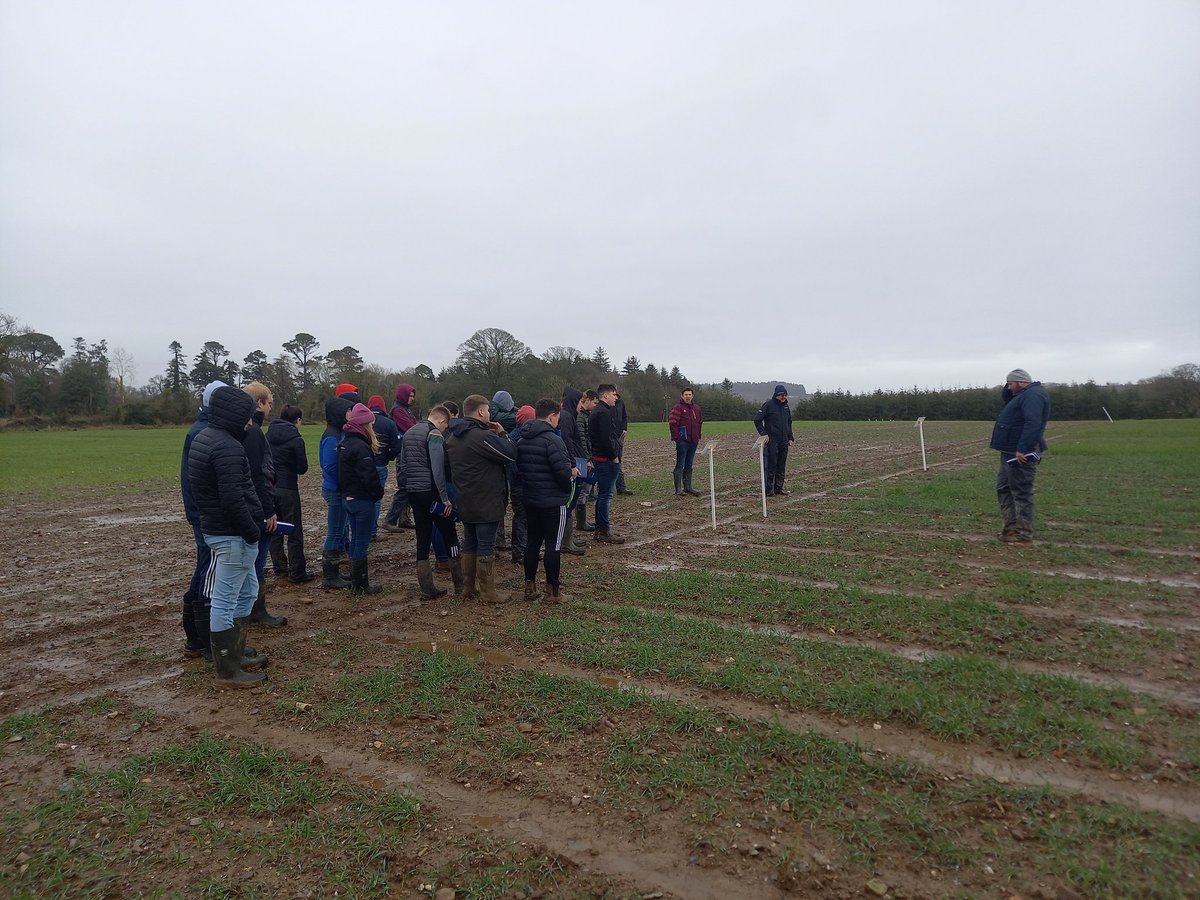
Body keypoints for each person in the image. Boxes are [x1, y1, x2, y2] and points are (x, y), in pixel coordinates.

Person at [187, 385, 268, 687]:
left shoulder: (204, 438)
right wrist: (251, 531)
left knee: (247, 591)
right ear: (236, 415)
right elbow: (233, 497)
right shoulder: (228, 447)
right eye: (247, 417)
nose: (250, 423)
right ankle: (227, 670)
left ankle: (235, 652)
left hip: (220, 530)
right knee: (224, 599)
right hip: (232, 535)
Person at [444, 394, 519, 603]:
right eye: (487, 410)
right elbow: (510, 454)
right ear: (480, 412)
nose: (489, 413)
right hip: (486, 498)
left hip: (465, 497)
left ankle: (468, 588)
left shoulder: (451, 437)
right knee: (486, 544)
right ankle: (488, 592)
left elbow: (448, 468)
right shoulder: (481, 437)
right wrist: (503, 434)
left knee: (470, 542)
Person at [179, 380, 226, 658]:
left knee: (204, 568)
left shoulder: (200, 429)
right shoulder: (202, 433)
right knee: (207, 571)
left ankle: (196, 638)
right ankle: (203, 639)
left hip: (201, 512)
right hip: (205, 515)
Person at [517, 398, 577, 604]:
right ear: (552, 416)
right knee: (553, 545)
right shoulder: (553, 440)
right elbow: (562, 472)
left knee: (533, 542)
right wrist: (568, 485)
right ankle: (553, 591)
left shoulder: (522, 439)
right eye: (558, 417)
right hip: (552, 501)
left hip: (530, 499)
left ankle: (529, 586)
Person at [402, 404, 463, 599]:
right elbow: (437, 469)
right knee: (450, 534)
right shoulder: (434, 433)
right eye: (446, 426)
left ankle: (427, 588)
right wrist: (444, 498)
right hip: (431, 492)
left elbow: (402, 465)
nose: (446, 431)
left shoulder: (410, 432)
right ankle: (461, 584)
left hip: (413, 491)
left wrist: (406, 488)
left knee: (422, 538)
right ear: (442, 421)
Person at [241, 382, 287, 626]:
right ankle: (255, 611)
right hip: (258, 508)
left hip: (251, 506)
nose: (271, 408)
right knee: (256, 563)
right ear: (259, 403)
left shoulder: (242, 431)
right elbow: (259, 475)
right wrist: (269, 510)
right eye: (269, 403)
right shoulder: (254, 432)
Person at [990, 368, 1050, 543]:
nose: (1008, 387)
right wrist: (1010, 384)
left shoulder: (1033, 396)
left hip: (1020, 453)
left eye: (1010, 384)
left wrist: (1023, 448)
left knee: (1021, 492)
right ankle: (1010, 528)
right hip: (1010, 451)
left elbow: (1033, 423)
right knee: (1004, 488)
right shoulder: (1023, 395)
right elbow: (1007, 397)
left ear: (1021, 382)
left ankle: (1023, 532)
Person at [337, 403, 386, 594]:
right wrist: (377, 494)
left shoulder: (344, 444)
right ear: (365, 425)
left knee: (356, 538)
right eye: (371, 424)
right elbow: (369, 476)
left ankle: (355, 578)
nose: (373, 428)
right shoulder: (361, 447)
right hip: (361, 500)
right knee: (361, 542)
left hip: (348, 498)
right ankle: (361, 584)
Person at [266, 404, 314, 583]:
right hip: (288, 488)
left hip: (270, 487)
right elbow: (302, 468)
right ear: (298, 420)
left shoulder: (267, 435)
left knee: (274, 529)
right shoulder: (296, 439)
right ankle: (297, 572)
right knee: (294, 531)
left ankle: (280, 567)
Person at [319, 396, 353, 589]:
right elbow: (330, 465)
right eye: (348, 411)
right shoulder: (332, 435)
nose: (350, 414)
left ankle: (334, 572)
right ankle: (330, 576)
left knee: (339, 530)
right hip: (335, 489)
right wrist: (344, 483)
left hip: (338, 488)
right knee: (335, 532)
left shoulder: (338, 432)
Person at [588, 384, 626, 543]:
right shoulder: (603, 413)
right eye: (613, 394)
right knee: (605, 496)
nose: (616, 398)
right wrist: (614, 456)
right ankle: (603, 530)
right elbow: (606, 439)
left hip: (600, 458)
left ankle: (600, 529)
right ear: (605, 396)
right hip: (606, 460)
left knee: (603, 495)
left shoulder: (597, 411)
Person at [383, 383, 419, 531]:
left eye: (413, 396)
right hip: (403, 452)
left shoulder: (405, 410)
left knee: (408, 486)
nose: (412, 399)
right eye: (410, 396)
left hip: (407, 450)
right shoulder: (399, 411)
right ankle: (390, 520)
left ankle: (404, 518)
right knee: (404, 487)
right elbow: (411, 428)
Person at [367, 395, 401, 541]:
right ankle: (372, 532)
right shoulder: (389, 423)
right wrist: (389, 457)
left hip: (363, 463)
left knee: (362, 498)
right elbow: (396, 446)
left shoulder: (363, 421)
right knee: (376, 499)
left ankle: (361, 531)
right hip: (380, 464)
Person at [507, 404, 536, 564]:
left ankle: (524, 550)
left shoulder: (514, 436)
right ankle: (519, 553)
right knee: (522, 518)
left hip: (520, 484)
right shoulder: (517, 439)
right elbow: (513, 466)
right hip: (521, 485)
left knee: (525, 518)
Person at [490, 390, 518, 552]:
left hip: (501, 466)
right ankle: (497, 539)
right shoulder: (501, 418)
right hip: (499, 466)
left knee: (501, 501)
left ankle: (499, 538)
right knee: (499, 502)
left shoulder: (494, 414)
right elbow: (515, 418)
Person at [754, 385, 794, 496]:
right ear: (776, 395)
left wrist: (790, 437)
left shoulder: (786, 407)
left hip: (784, 440)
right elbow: (757, 420)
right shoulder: (768, 405)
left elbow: (789, 423)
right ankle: (768, 490)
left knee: (781, 466)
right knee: (771, 465)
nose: (784, 397)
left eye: (785, 395)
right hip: (771, 441)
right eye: (782, 395)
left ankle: (779, 488)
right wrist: (764, 434)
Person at [668, 387, 704, 496]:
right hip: (683, 442)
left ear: (692, 396)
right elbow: (672, 423)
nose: (688, 396)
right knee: (680, 464)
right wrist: (677, 439)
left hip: (693, 441)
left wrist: (698, 436)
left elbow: (700, 422)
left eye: (689, 394)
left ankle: (688, 487)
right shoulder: (677, 408)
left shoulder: (696, 408)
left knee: (689, 464)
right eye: (686, 394)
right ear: (682, 396)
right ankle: (678, 489)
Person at [614, 391, 634, 495]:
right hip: (610, 437)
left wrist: (624, 428)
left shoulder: (621, 402)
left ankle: (621, 488)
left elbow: (624, 416)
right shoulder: (604, 405)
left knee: (618, 461)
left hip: (620, 436)